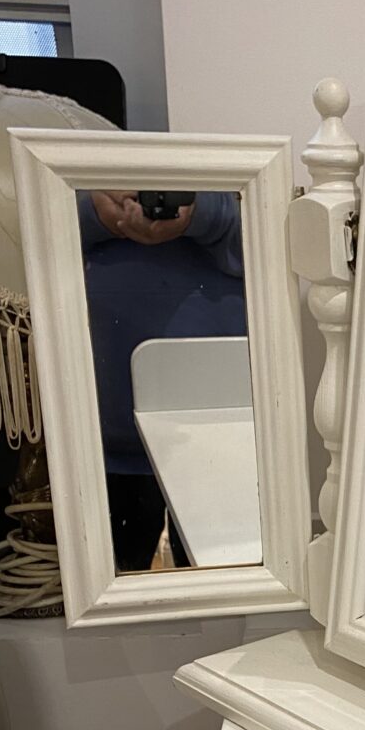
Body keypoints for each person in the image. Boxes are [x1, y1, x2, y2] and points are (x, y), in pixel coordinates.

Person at [79, 189, 246, 571]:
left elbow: (269, 241)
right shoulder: (73, 180)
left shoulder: (236, 187)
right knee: (110, 594)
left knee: (222, 590)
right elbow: (34, 237)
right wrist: (95, 211)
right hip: (107, 439)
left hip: (217, 431)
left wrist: (199, 211)